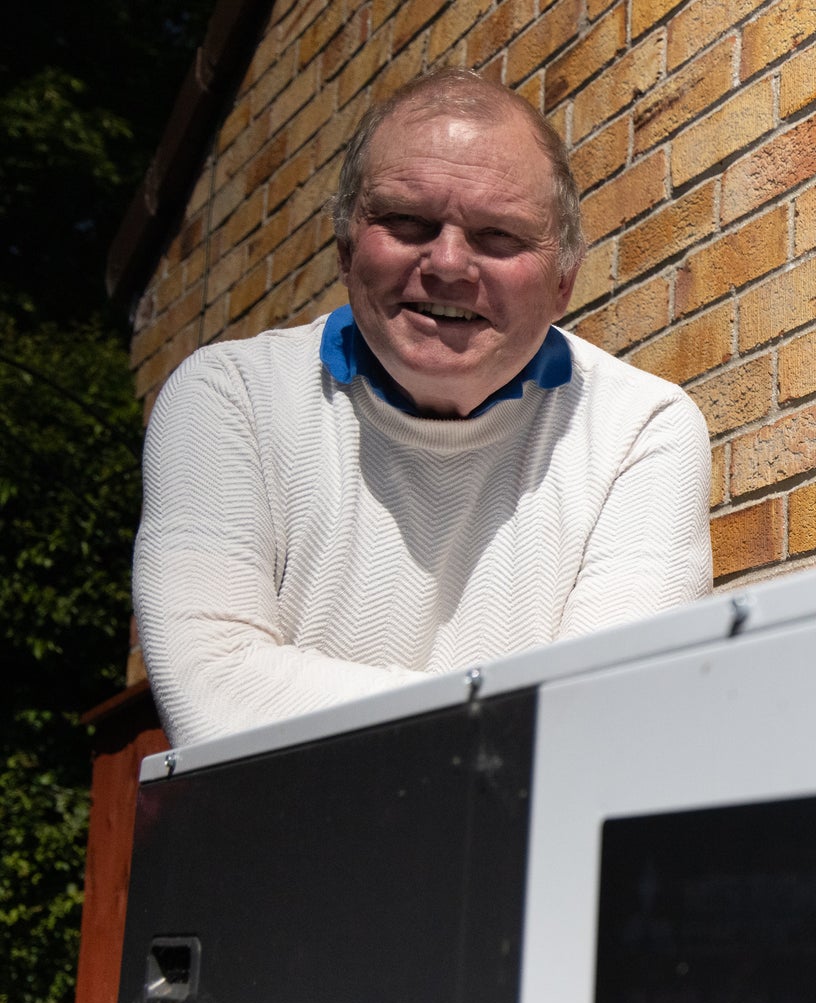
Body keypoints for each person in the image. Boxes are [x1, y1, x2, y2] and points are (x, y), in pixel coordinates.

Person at [133, 69, 713, 746]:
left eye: (499, 235)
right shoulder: (228, 397)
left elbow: (616, 718)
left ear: (564, 281)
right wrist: (515, 721)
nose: (447, 263)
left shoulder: (642, 428)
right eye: (407, 222)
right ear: (346, 250)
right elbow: (213, 690)